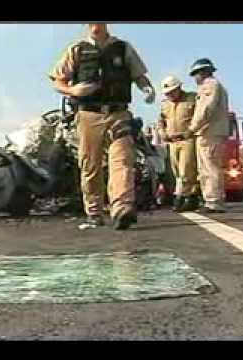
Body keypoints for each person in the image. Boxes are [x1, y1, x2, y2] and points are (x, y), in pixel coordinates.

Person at [49, 23, 156, 230]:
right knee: (90, 165)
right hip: (89, 114)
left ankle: (122, 208)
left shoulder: (123, 48)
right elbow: (58, 81)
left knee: (122, 159)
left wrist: (147, 88)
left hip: (118, 113)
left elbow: (139, 75)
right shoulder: (76, 49)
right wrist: (73, 91)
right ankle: (94, 212)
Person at [175, 58, 230, 213]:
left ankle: (213, 202)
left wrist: (191, 128)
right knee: (208, 167)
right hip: (211, 132)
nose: (195, 78)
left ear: (203, 72)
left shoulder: (210, 85)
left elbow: (205, 110)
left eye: (196, 74)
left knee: (209, 168)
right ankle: (212, 200)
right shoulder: (215, 86)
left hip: (209, 132)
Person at [157, 75, 199, 212]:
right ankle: (192, 197)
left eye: (172, 92)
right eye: (167, 93)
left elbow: (200, 117)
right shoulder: (165, 105)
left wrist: (191, 130)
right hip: (172, 142)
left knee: (186, 169)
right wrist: (162, 132)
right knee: (176, 171)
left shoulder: (192, 98)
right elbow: (160, 121)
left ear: (179, 88)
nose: (170, 95)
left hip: (187, 139)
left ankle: (180, 197)